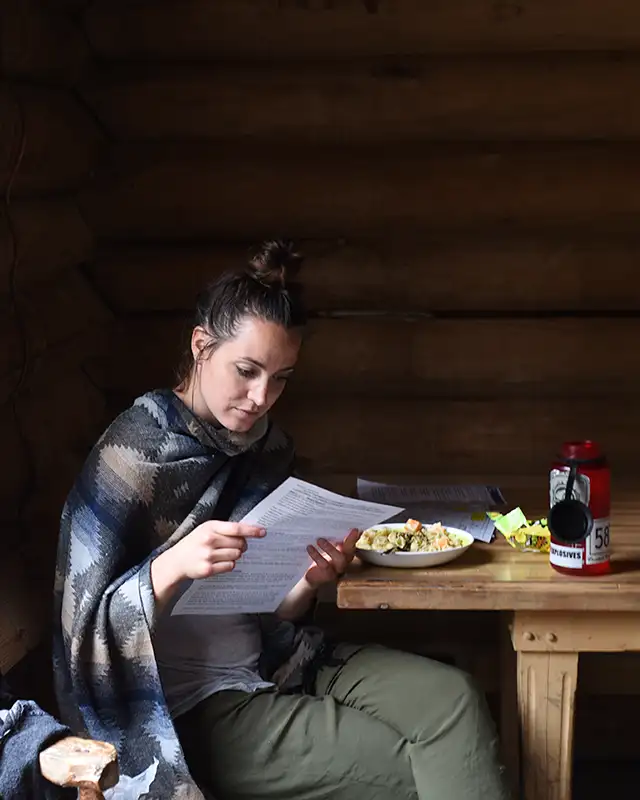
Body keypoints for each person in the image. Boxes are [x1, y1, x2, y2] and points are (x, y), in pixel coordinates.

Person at [53, 241, 509, 800]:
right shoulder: (134, 454)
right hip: (191, 708)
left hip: (280, 662)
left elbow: (269, 610)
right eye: (246, 371)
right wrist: (169, 568)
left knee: (455, 699)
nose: (261, 397)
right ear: (201, 346)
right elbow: (82, 629)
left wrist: (306, 581)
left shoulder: (264, 450)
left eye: (281, 378)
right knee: (418, 763)